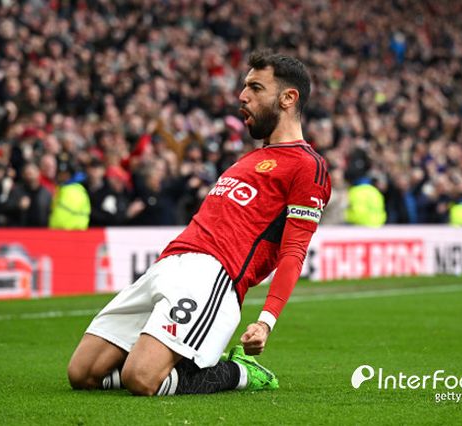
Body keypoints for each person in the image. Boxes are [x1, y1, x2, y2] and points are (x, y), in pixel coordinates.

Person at [67, 51, 331, 396]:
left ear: (288, 98)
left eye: (255, 87)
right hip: (167, 263)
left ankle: (239, 372)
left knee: (141, 379)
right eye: (244, 86)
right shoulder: (249, 159)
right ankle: (185, 357)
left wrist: (266, 321)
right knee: (82, 373)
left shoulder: (307, 165)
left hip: (213, 275)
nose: (242, 96)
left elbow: (294, 250)